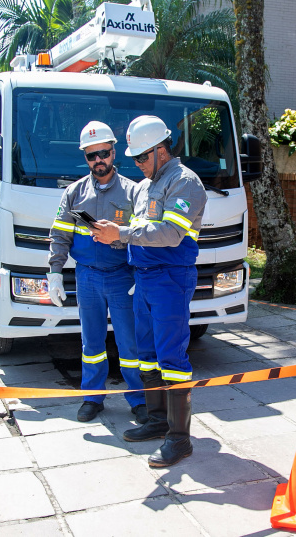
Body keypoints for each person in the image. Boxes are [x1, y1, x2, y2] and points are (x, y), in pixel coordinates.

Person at [92, 115, 207, 467]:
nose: (138, 164)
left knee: (172, 357)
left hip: (170, 278)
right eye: (135, 158)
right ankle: (157, 421)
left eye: (142, 157)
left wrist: (122, 233)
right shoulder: (145, 187)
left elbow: (170, 233)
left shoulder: (185, 182)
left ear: (161, 150)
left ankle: (180, 439)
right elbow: (140, 228)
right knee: (147, 354)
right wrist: (112, 232)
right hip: (143, 278)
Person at [47, 121, 146, 424]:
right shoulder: (74, 193)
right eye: (92, 155)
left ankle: (139, 399)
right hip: (87, 276)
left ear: (114, 152)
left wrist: (139, 273)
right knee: (91, 343)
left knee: (130, 343)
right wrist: (54, 271)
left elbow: (145, 236)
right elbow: (60, 234)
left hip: (122, 276)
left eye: (103, 153)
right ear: (86, 158)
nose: (98, 160)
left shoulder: (133, 192)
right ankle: (92, 398)